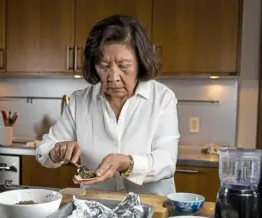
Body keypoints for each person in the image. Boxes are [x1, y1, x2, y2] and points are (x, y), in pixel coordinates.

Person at [36, 14, 180, 195]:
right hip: (96, 207)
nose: (113, 77)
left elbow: (166, 162)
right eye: (104, 65)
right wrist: (57, 151)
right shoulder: (79, 102)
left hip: (151, 207)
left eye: (124, 65)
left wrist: (127, 163)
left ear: (141, 62)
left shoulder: (162, 98)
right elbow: (44, 149)